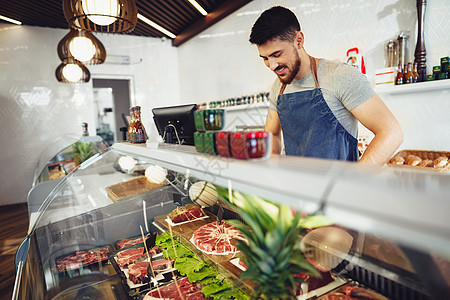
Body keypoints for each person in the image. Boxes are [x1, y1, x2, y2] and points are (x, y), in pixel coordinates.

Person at [249, 6, 403, 165]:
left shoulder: (340, 76)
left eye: (277, 54)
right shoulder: (278, 87)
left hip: (339, 187)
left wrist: (356, 179)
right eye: (265, 58)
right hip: (296, 185)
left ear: (299, 40)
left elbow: (391, 132)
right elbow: (272, 134)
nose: (272, 65)